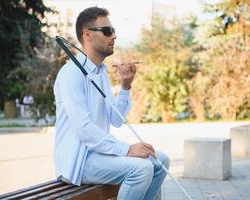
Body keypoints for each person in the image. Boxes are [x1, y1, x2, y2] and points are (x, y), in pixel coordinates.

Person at [53, 6, 170, 200]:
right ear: (88, 35)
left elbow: (116, 119)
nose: (114, 36)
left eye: (113, 30)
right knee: (141, 169)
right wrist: (127, 149)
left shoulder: (101, 72)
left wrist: (125, 87)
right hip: (77, 161)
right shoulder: (71, 73)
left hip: (98, 155)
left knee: (160, 161)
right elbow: (83, 128)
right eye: (107, 31)